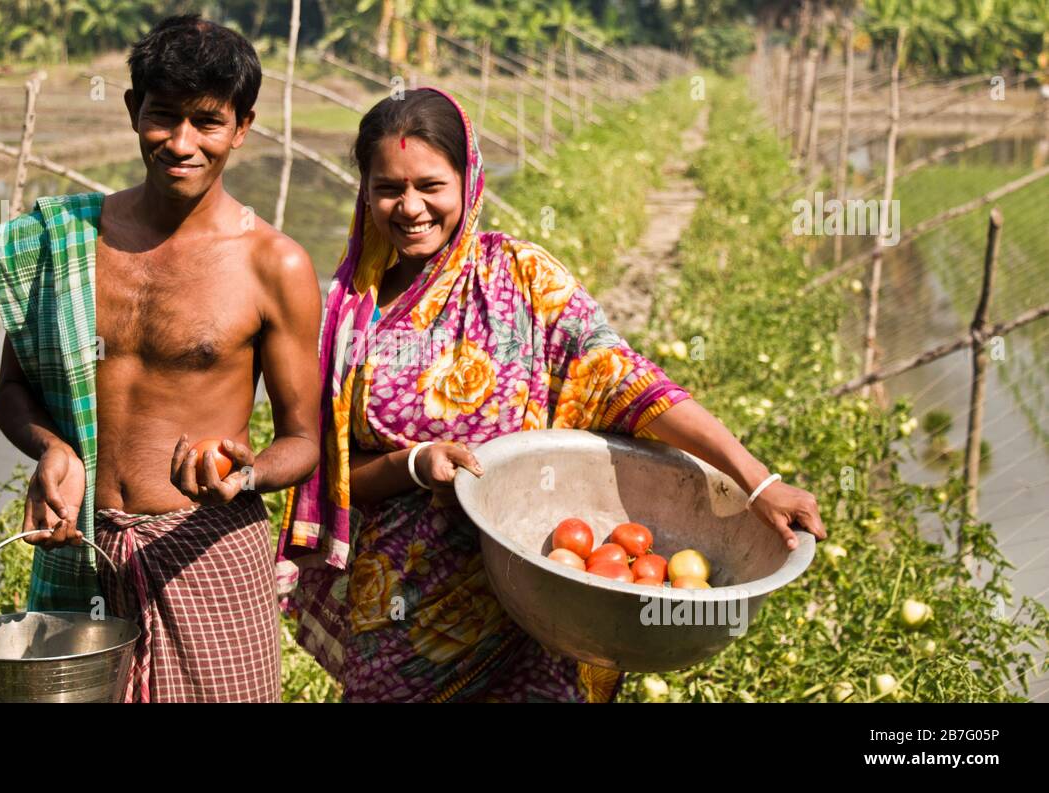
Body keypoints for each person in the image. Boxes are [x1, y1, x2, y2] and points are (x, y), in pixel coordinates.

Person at [276, 88, 828, 702]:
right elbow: (335, 477)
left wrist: (757, 483)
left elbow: (632, 384)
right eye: (388, 188)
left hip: (538, 591)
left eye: (430, 185)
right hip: (403, 608)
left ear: (468, 179)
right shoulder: (350, 314)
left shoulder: (520, 279)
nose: (409, 208)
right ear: (366, 189)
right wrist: (416, 463)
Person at [0, 15, 322, 702]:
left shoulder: (273, 263)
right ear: (134, 110)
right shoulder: (66, 240)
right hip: (80, 548)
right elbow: (12, 391)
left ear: (242, 126)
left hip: (207, 553)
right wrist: (52, 448)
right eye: (163, 116)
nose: (182, 143)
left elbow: (303, 439)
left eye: (207, 122)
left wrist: (247, 470)